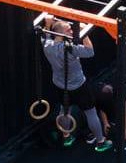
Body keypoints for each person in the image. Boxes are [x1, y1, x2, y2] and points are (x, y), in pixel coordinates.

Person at [40, 17, 111, 151]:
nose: (72, 31)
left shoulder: (47, 46)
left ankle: (66, 136)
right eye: (69, 30)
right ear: (62, 34)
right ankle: (101, 142)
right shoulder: (71, 49)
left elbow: (46, 35)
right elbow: (90, 52)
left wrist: (48, 24)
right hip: (79, 87)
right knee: (90, 112)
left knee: (64, 111)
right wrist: (85, 32)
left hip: (60, 86)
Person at [94, 82, 126, 149]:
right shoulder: (101, 97)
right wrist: (105, 123)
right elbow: (102, 109)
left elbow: (124, 113)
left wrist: (125, 130)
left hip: (115, 95)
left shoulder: (121, 93)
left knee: (118, 116)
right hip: (103, 96)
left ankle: (121, 137)